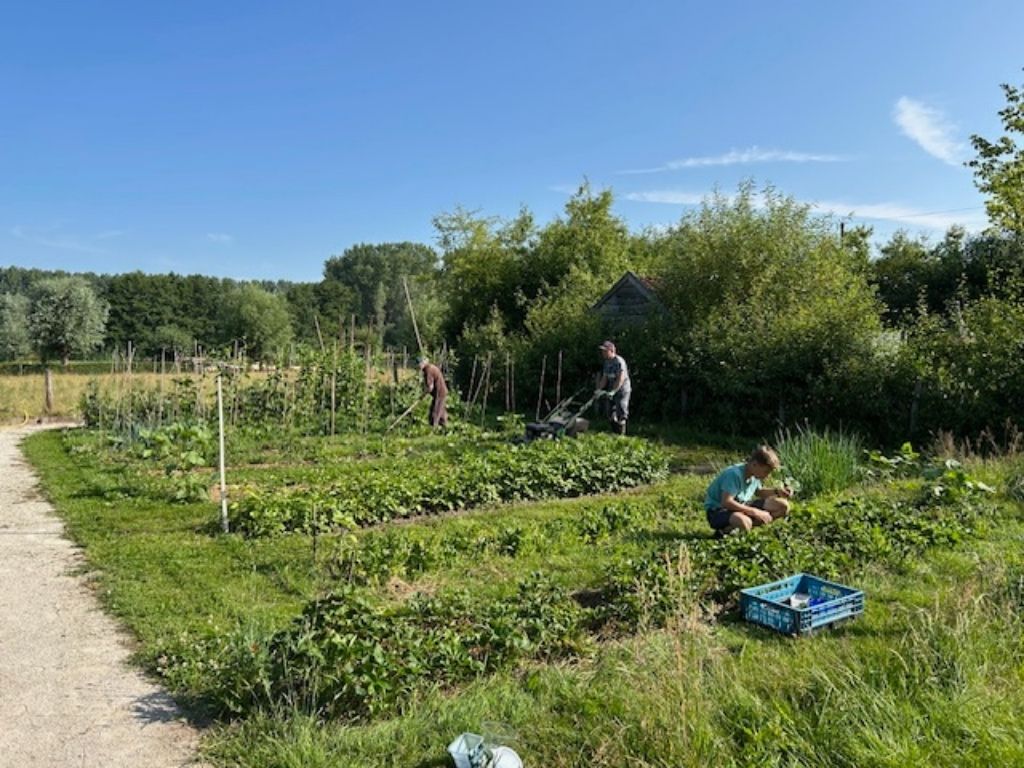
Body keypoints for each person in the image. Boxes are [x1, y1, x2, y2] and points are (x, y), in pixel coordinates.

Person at [704, 445, 792, 536]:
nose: (767, 475)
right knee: (743, 522)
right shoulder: (734, 474)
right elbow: (726, 502)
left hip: (742, 505)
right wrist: (754, 511)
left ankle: (743, 526)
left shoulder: (754, 475)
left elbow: (759, 492)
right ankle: (725, 531)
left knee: (783, 506)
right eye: (766, 472)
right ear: (754, 464)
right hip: (718, 511)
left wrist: (777, 492)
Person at [595, 340, 631, 435]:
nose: (603, 353)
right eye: (602, 351)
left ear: (611, 350)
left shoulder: (619, 361)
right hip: (612, 389)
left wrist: (614, 391)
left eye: (605, 351)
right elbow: (604, 378)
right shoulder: (607, 363)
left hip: (622, 390)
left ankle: (621, 434)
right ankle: (615, 432)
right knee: (610, 411)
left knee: (621, 409)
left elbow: (621, 378)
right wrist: (599, 390)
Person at [418, 356, 448, 428]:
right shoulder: (430, 367)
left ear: (424, 363)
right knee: (440, 410)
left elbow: (430, 387)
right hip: (441, 392)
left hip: (439, 392)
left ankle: (433, 428)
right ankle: (444, 426)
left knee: (435, 411)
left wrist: (423, 395)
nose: (419, 366)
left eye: (420, 363)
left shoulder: (428, 370)